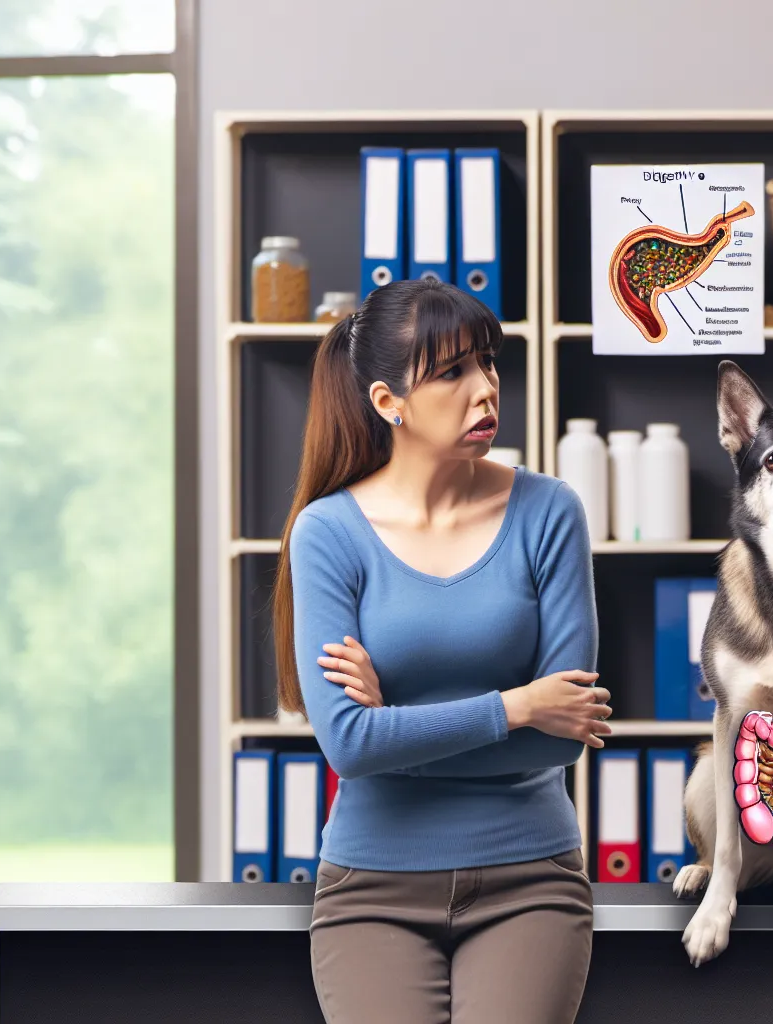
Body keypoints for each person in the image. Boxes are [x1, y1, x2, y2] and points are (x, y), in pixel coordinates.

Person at [273, 279, 613, 1024]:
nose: (486, 389)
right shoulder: (328, 533)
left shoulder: (550, 512)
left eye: (488, 363)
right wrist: (519, 706)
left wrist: (395, 723)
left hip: (531, 878)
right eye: (452, 372)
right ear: (390, 403)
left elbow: (564, 745)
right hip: (371, 886)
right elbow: (350, 748)